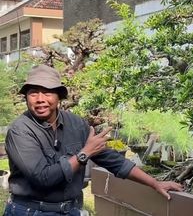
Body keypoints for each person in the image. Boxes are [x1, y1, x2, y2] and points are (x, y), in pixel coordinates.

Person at [3, 65, 183, 215]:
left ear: (59, 96)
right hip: (30, 211)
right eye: (34, 93)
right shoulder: (20, 131)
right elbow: (43, 178)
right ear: (26, 97)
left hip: (70, 210)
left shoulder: (76, 124)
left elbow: (111, 160)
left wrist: (154, 183)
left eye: (48, 93)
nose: (40, 99)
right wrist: (85, 153)